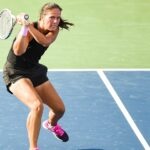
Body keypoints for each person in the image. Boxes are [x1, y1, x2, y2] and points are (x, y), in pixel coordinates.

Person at [3, 2, 74, 150]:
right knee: (36, 106)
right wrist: (24, 28)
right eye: (52, 17)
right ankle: (33, 147)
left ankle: (51, 125)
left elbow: (44, 41)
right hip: (15, 71)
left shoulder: (53, 31)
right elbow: (18, 52)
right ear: (42, 17)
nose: (55, 21)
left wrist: (28, 26)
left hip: (34, 70)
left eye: (58, 18)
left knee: (59, 109)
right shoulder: (26, 31)